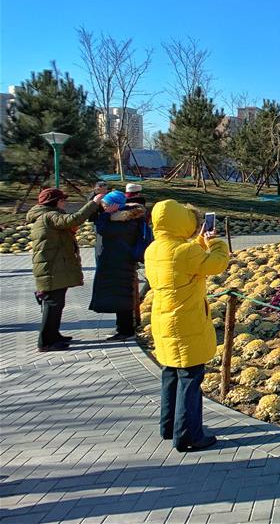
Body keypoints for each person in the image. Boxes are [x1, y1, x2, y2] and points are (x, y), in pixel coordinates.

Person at [144, 200, 229, 452]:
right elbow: (216, 264)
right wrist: (216, 242)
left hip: (163, 320)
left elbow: (186, 260)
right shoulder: (184, 251)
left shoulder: (153, 249)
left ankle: (169, 426)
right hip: (185, 321)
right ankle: (188, 435)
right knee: (190, 378)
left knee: (170, 374)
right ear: (180, 222)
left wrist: (199, 241)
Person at [27, 188, 104, 352]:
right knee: (52, 303)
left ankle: (54, 335)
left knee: (57, 303)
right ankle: (46, 342)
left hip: (54, 266)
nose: (65, 203)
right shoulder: (49, 216)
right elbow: (73, 219)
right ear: (55, 202)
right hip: (52, 267)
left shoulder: (46, 215)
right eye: (62, 200)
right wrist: (93, 203)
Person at [88, 190, 146, 341]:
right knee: (120, 295)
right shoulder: (125, 218)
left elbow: (101, 229)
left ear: (113, 206)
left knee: (122, 297)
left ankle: (126, 330)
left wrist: (106, 215)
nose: (103, 208)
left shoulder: (124, 220)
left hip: (119, 262)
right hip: (118, 261)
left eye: (105, 205)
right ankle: (123, 328)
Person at [88, 181, 109, 260]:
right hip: (98, 220)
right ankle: (99, 260)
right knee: (99, 242)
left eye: (106, 189)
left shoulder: (106, 195)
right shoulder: (93, 197)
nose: (105, 191)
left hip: (105, 219)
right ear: (97, 189)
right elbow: (90, 208)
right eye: (103, 190)